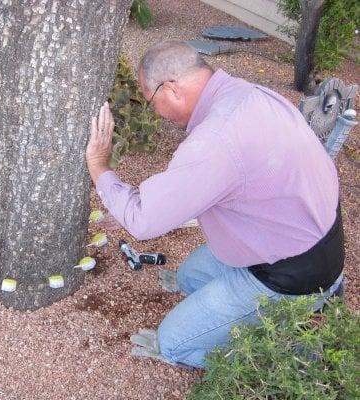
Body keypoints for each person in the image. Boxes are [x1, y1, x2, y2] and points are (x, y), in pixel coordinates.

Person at [85, 41, 345, 369]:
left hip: (289, 275)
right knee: (189, 277)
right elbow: (207, 184)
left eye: (152, 102)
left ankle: (282, 353)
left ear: (171, 90)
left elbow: (144, 221)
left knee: (172, 344)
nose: (155, 113)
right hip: (304, 239)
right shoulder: (248, 94)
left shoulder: (215, 140)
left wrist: (98, 164)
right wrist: (126, 207)